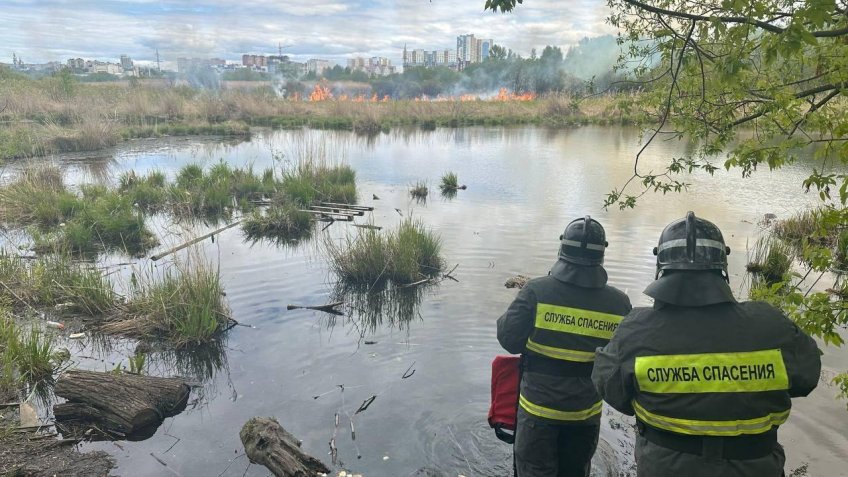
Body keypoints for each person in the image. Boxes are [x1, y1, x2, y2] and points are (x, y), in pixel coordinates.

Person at [592, 211, 821, 477]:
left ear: (662, 267)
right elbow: (806, 378)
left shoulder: (636, 330)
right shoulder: (771, 325)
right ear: (722, 266)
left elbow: (612, 390)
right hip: (755, 467)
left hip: (665, 467)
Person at [497, 216, 632, 477]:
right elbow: (621, 363)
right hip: (585, 416)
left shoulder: (536, 291)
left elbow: (508, 340)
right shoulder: (620, 304)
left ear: (563, 249)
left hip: (537, 411)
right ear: (601, 255)